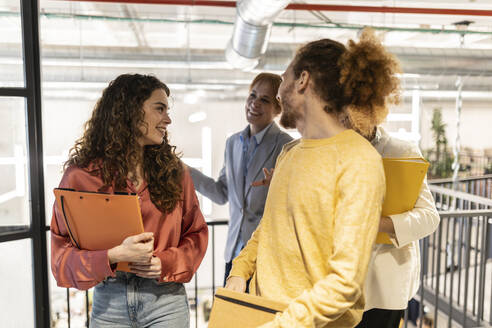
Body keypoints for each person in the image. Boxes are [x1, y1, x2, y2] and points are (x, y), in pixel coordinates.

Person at [225, 28, 399, 327]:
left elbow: (345, 283)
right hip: (262, 314)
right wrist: (239, 271)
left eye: (285, 77)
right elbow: (270, 228)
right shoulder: (291, 152)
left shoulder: (358, 159)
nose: (279, 92)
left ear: (303, 80)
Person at [50, 74, 209, 328]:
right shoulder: (80, 177)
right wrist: (112, 256)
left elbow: (196, 233)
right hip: (109, 302)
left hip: (165, 301)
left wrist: (165, 262)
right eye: (160, 109)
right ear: (131, 111)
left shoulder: (176, 174)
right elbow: (61, 260)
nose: (168, 119)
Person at [188, 72, 293, 285]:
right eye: (252, 96)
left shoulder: (285, 145)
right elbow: (220, 194)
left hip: (265, 254)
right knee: (230, 315)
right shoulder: (233, 143)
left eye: (264, 100)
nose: (254, 104)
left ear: (277, 108)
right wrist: (184, 171)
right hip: (234, 254)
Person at [354, 125, 439, 328]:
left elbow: (429, 218)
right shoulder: (326, 149)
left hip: (383, 288)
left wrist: (379, 224)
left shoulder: (401, 151)